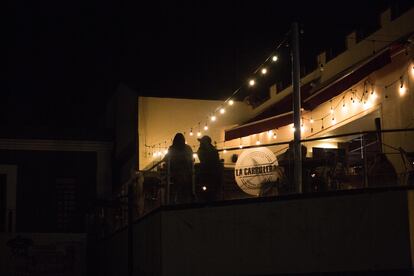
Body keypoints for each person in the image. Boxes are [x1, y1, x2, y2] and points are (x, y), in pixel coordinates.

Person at [164, 133, 194, 204]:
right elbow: (190, 160)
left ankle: (175, 202)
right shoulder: (188, 148)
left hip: (177, 173)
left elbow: (166, 159)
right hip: (184, 173)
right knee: (184, 190)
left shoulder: (172, 148)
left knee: (177, 189)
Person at [196, 135, 222, 201]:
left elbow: (204, 161)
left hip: (207, 174)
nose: (200, 143)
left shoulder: (203, 150)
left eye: (201, 142)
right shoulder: (213, 150)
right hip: (214, 174)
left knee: (207, 191)